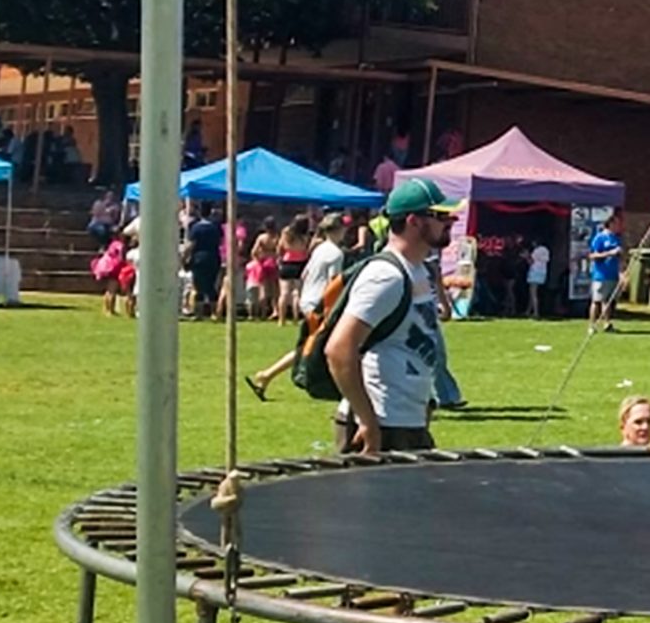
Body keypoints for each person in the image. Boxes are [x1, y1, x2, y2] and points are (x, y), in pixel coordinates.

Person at [328, 180, 453, 456]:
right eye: (441, 216)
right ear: (414, 222)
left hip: (407, 421)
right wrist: (368, 420)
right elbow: (339, 350)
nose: (451, 221)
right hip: (382, 425)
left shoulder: (418, 270)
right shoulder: (385, 276)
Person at [246, 210, 354, 402]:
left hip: (308, 299)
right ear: (339, 230)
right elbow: (333, 283)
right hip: (319, 304)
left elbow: (305, 274)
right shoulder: (336, 254)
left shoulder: (319, 249)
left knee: (312, 345)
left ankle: (267, 376)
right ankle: (340, 388)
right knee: (327, 346)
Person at [586, 214, 626, 334]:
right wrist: (609, 253)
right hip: (600, 275)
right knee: (596, 301)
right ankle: (592, 325)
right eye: (617, 223)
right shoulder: (600, 237)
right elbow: (592, 255)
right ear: (611, 224)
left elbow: (619, 256)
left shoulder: (616, 238)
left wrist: (621, 260)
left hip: (612, 275)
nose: (619, 226)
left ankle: (607, 323)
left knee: (608, 301)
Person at [184, 204, 224, 319]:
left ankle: (198, 313)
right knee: (211, 285)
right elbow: (220, 242)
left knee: (198, 286)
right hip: (213, 257)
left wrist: (184, 258)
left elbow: (191, 245)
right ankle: (214, 312)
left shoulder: (196, 227)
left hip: (199, 258)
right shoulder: (215, 227)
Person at [525, 237, 551, 319]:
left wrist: (526, 256)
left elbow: (531, 261)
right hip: (542, 272)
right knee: (532, 293)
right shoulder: (546, 250)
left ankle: (536, 312)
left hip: (534, 271)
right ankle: (528, 311)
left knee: (533, 293)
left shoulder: (536, 251)